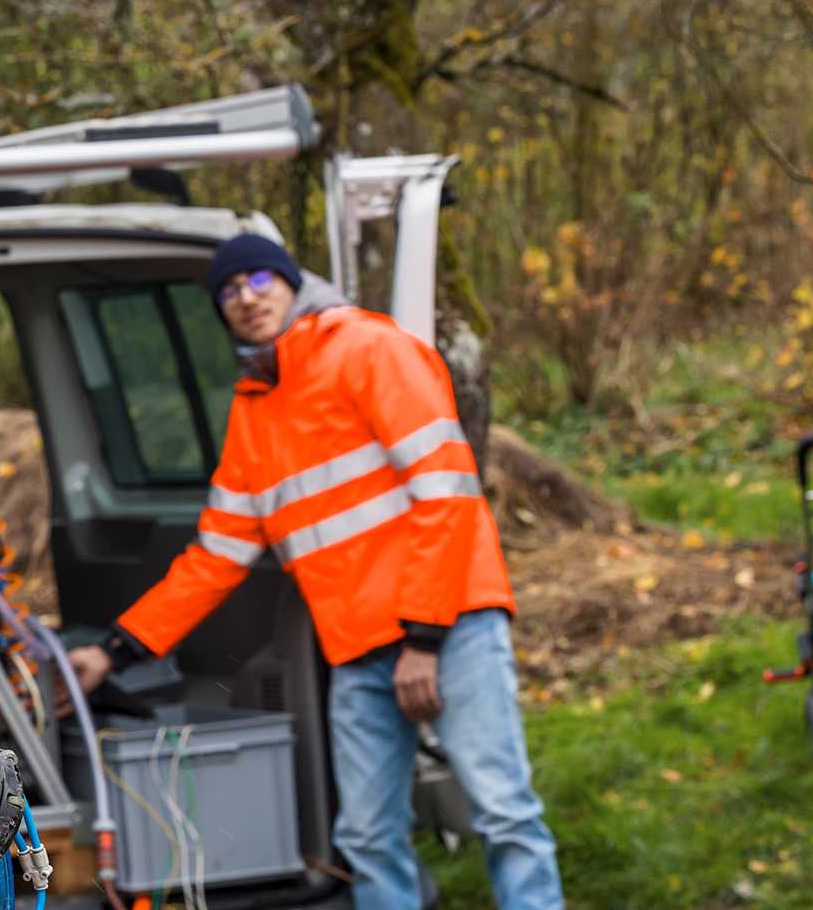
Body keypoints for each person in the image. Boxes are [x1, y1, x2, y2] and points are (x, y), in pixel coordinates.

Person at [67, 234, 563, 910]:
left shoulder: (367, 348)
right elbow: (213, 558)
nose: (244, 297)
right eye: (227, 290)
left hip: (449, 624)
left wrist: (423, 637)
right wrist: (116, 649)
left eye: (257, 278)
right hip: (357, 648)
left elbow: (446, 493)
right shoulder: (251, 411)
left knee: (502, 811)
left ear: (291, 281)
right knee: (363, 834)